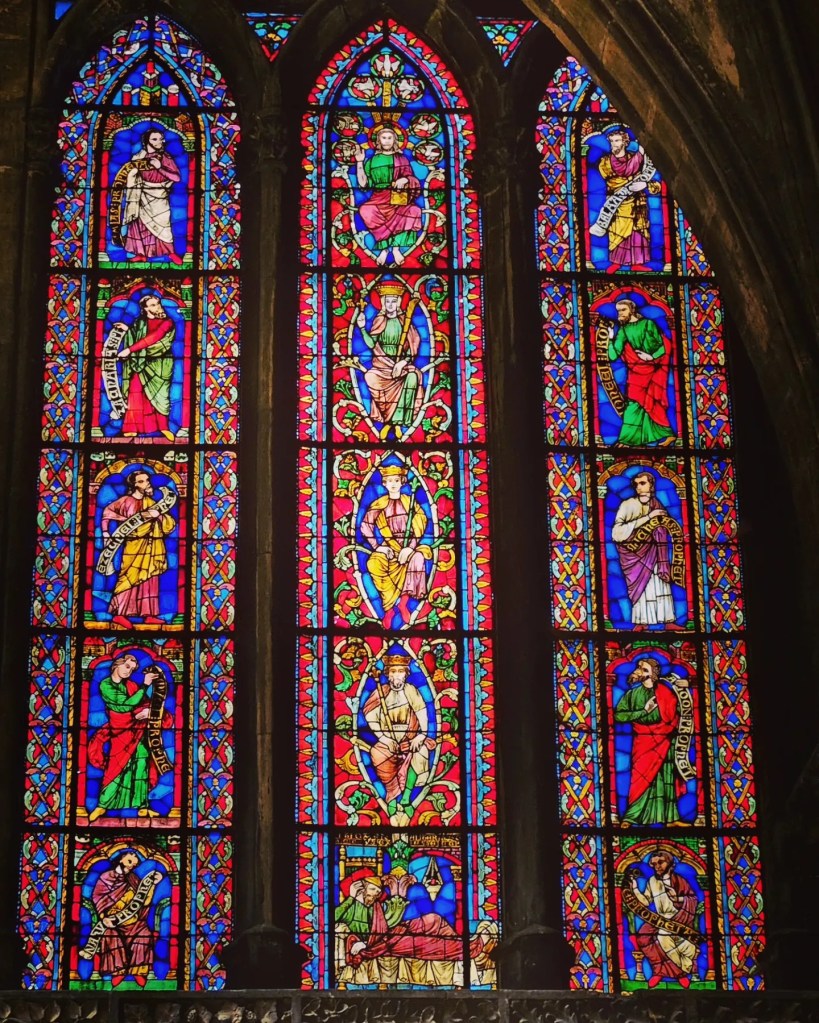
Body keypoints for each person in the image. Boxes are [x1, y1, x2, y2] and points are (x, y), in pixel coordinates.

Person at [335, 868, 461, 987]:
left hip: (391, 935)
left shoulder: (375, 907)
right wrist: (350, 898)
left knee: (434, 918)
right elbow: (334, 917)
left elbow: (389, 923)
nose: (376, 894)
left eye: (378, 892)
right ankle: (459, 946)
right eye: (373, 889)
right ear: (362, 888)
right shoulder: (350, 908)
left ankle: (459, 942)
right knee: (427, 937)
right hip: (383, 943)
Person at [86, 653, 172, 823]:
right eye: (126, 667)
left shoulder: (132, 685)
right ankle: (102, 804)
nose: (128, 672)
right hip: (120, 732)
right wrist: (145, 685)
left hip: (138, 731)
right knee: (115, 769)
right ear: (116, 665)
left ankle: (142, 806)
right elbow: (125, 705)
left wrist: (150, 712)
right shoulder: (105, 685)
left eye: (132, 669)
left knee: (142, 765)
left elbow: (143, 703)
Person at [613, 657, 687, 824]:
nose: (641, 672)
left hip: (664, 739)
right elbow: (619, 715)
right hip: (643, 741)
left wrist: (684, 688)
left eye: (645, 670)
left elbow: (677, 714)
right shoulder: (632, 694)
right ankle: (632, 817)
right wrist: (643, 711)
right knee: (641, 778)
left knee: (664, 778)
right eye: (640, 668)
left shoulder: (665, 693)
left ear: (654, 674)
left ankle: (670, 818)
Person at [362, 653, 435, 821]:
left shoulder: (411, 691)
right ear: (387, 674)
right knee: (378, 754)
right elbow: (370, 716)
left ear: (406, 673)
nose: (396, 676)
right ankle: (392, 798)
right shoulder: (381, 692)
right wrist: (385, 739)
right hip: (388, 741)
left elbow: (422, 712)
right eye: (392, 672)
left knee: (421, 752)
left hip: (410, 739)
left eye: (400, 671)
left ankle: (406, 798)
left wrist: (421, 735)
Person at [100, 470, 175, 627]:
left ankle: (148, 614)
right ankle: (119, 614)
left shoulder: (151, 503)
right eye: (141, 481)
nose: (147, 483)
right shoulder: (125, 501)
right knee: (127, 579)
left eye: (147, 480)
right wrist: (106, 533)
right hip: (133, 546)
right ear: (134, 485)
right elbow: (107, 514)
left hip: (152, 546)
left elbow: (169, 525)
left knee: (150, 579)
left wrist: (158, 516)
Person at [360, 464, 431, 628]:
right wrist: (378, 547)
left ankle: (403, 603)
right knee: (373, 563)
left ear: (402, 482)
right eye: (389, 480)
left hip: (408, 548)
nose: (393, 483)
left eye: (396, 480)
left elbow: (420, 525)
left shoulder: (410, 503)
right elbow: (365, 525)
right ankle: (389, 607)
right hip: (388, 548)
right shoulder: (379, 504)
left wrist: (410, 547)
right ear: (384, 483)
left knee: (418, 558)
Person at [611, 470, 683, 628]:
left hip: (656, 553)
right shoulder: (627, 505)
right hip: (634, 556)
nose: (638, 487)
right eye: (636, 484)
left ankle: (668, 621)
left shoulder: (657, 504)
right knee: (643, 588)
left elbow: (665, 529)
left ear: (651, 485)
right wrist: (648, 518)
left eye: (643, 483)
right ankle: (641, 623)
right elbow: (617, 533)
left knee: (660, 586)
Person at [356, 281, 423, 439]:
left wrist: (403, 362)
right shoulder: (380, 321)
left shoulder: (404, 322)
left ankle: (397, 423)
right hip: (382, 366)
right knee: (369, 376)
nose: (391, 305)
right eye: (387, 301)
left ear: (398, 302)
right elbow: (372, 344)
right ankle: (387, 421)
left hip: (401, 366)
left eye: (393, 301)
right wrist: (361, 327)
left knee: (413, 377)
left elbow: (413, 346)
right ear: (383, 303)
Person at [625, 849, 699, 987]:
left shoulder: (680, 881)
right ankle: (659, 970)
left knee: (666, 937)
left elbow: (693, 899)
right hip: (660, 918)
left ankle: (680, 973)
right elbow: (646, 901)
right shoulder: (652, 881)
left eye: (660, 862)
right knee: (643, 937)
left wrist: (677, 898)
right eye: (654, 864)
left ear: (670, 863)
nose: (657, 866)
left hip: (679, 918)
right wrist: (635, 889)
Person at [606, 298, 675, 445]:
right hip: (635, 372)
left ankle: (629, 440)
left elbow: (662, 347)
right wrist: (610, 339)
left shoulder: (648, 324)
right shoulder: (623, 330)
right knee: (634, 403)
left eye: (623, 310)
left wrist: (651, 356)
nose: (620, 314)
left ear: (632, 310)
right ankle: (633, 439)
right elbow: (613, 355)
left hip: (653, 369)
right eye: (618, 311)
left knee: (652, 402)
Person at [86, 851, 160, 987]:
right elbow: (98, 898)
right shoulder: (105, 877)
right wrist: (103, 917)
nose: (132, 866)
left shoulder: (134, 879)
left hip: (134, 922)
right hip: (113, 922)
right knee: (109, 934)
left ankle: (138, 971)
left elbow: (144, 901)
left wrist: (153, 884)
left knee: (145, 934)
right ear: (121, 858)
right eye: (130, 861)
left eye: (135, 864)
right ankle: (118, 971)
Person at [353, 124, 423, 265]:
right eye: (383, 138)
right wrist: (360, 162)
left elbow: (413, 179)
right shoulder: (372, 160)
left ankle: (395, 248)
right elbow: (363, 184)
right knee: (365, 210)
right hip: (378, 197)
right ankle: (384, 249)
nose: (387, 141)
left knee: (414, 210)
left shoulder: (402, 159)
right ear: (378, 140)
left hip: (398, 196)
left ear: (395, 140)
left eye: (390, 138)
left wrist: (405, 179)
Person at [112, 294, 176, 440]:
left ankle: (164, 427)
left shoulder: (167, 322)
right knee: (135, 393)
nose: (158, 306)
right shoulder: (139, 322)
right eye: (153, 305)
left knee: (160, 398)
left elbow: (153, 338)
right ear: (145, 308)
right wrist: (127, 330)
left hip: (160, 364)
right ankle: (131, 427)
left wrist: (129, 350)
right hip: (140, 363)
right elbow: (137, 336)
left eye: (158, 303)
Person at [592, 128, 657, 268]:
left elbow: (656, 185)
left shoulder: (638, 160)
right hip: (619, 204)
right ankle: (617, 263)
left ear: (625, 142)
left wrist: (644, 184)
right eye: (611, 141)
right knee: (618, 233)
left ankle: (638, 263)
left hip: (639, 203)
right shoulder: (605, 162)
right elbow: (619, 176)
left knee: (638, 231)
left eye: (617, 141)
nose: (614, 144)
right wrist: (640, 156)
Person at [113, 129, 181, 261]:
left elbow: (176, 177)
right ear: (146, 141)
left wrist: (159, 167)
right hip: (140, 194)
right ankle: (140, 254)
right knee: (138, 224)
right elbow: (129, 174)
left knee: (163, 225)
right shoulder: (139, 158)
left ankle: (169, 252)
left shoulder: (165, 158)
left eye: (161, 139)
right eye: (155, 139)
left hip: (159, 195)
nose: (159, 142)